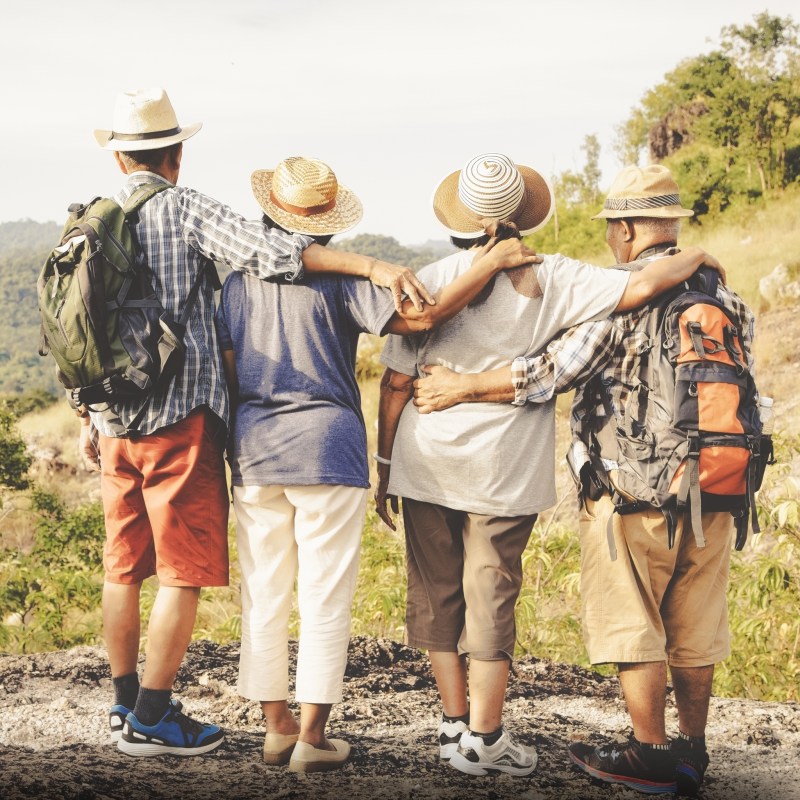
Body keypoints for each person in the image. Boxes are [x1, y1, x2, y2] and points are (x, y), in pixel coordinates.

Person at [82, 87, 438, 759]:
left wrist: (91, 415)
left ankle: (129, 704)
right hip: (182, 421)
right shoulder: (183, 209)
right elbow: (279, 253)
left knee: (125, 568)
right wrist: (375, 265)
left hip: (118, 423)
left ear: (120, 158)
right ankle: (164, 719)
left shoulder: (98, 220)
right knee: (191, 572)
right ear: (176, 154)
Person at [375, 154, 724, 779]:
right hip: (528, 471)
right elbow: (645, 293)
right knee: (493, 594)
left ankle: (456, 725)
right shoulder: (569, 277)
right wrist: (695, 257)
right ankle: (491, 737)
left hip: (444, 460)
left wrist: (388, 454)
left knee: (438, 594)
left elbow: (403, 381)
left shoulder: (429, 277)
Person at [214, 155, 538, 772]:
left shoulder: (234, 284)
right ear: (329, 226)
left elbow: (231, 372)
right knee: (324, 593)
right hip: (329, 448)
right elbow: (424, 317)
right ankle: (313, 736)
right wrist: (488, 262)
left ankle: (275, 726)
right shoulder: (340, 282)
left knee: (264, 593)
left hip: (256, 451)